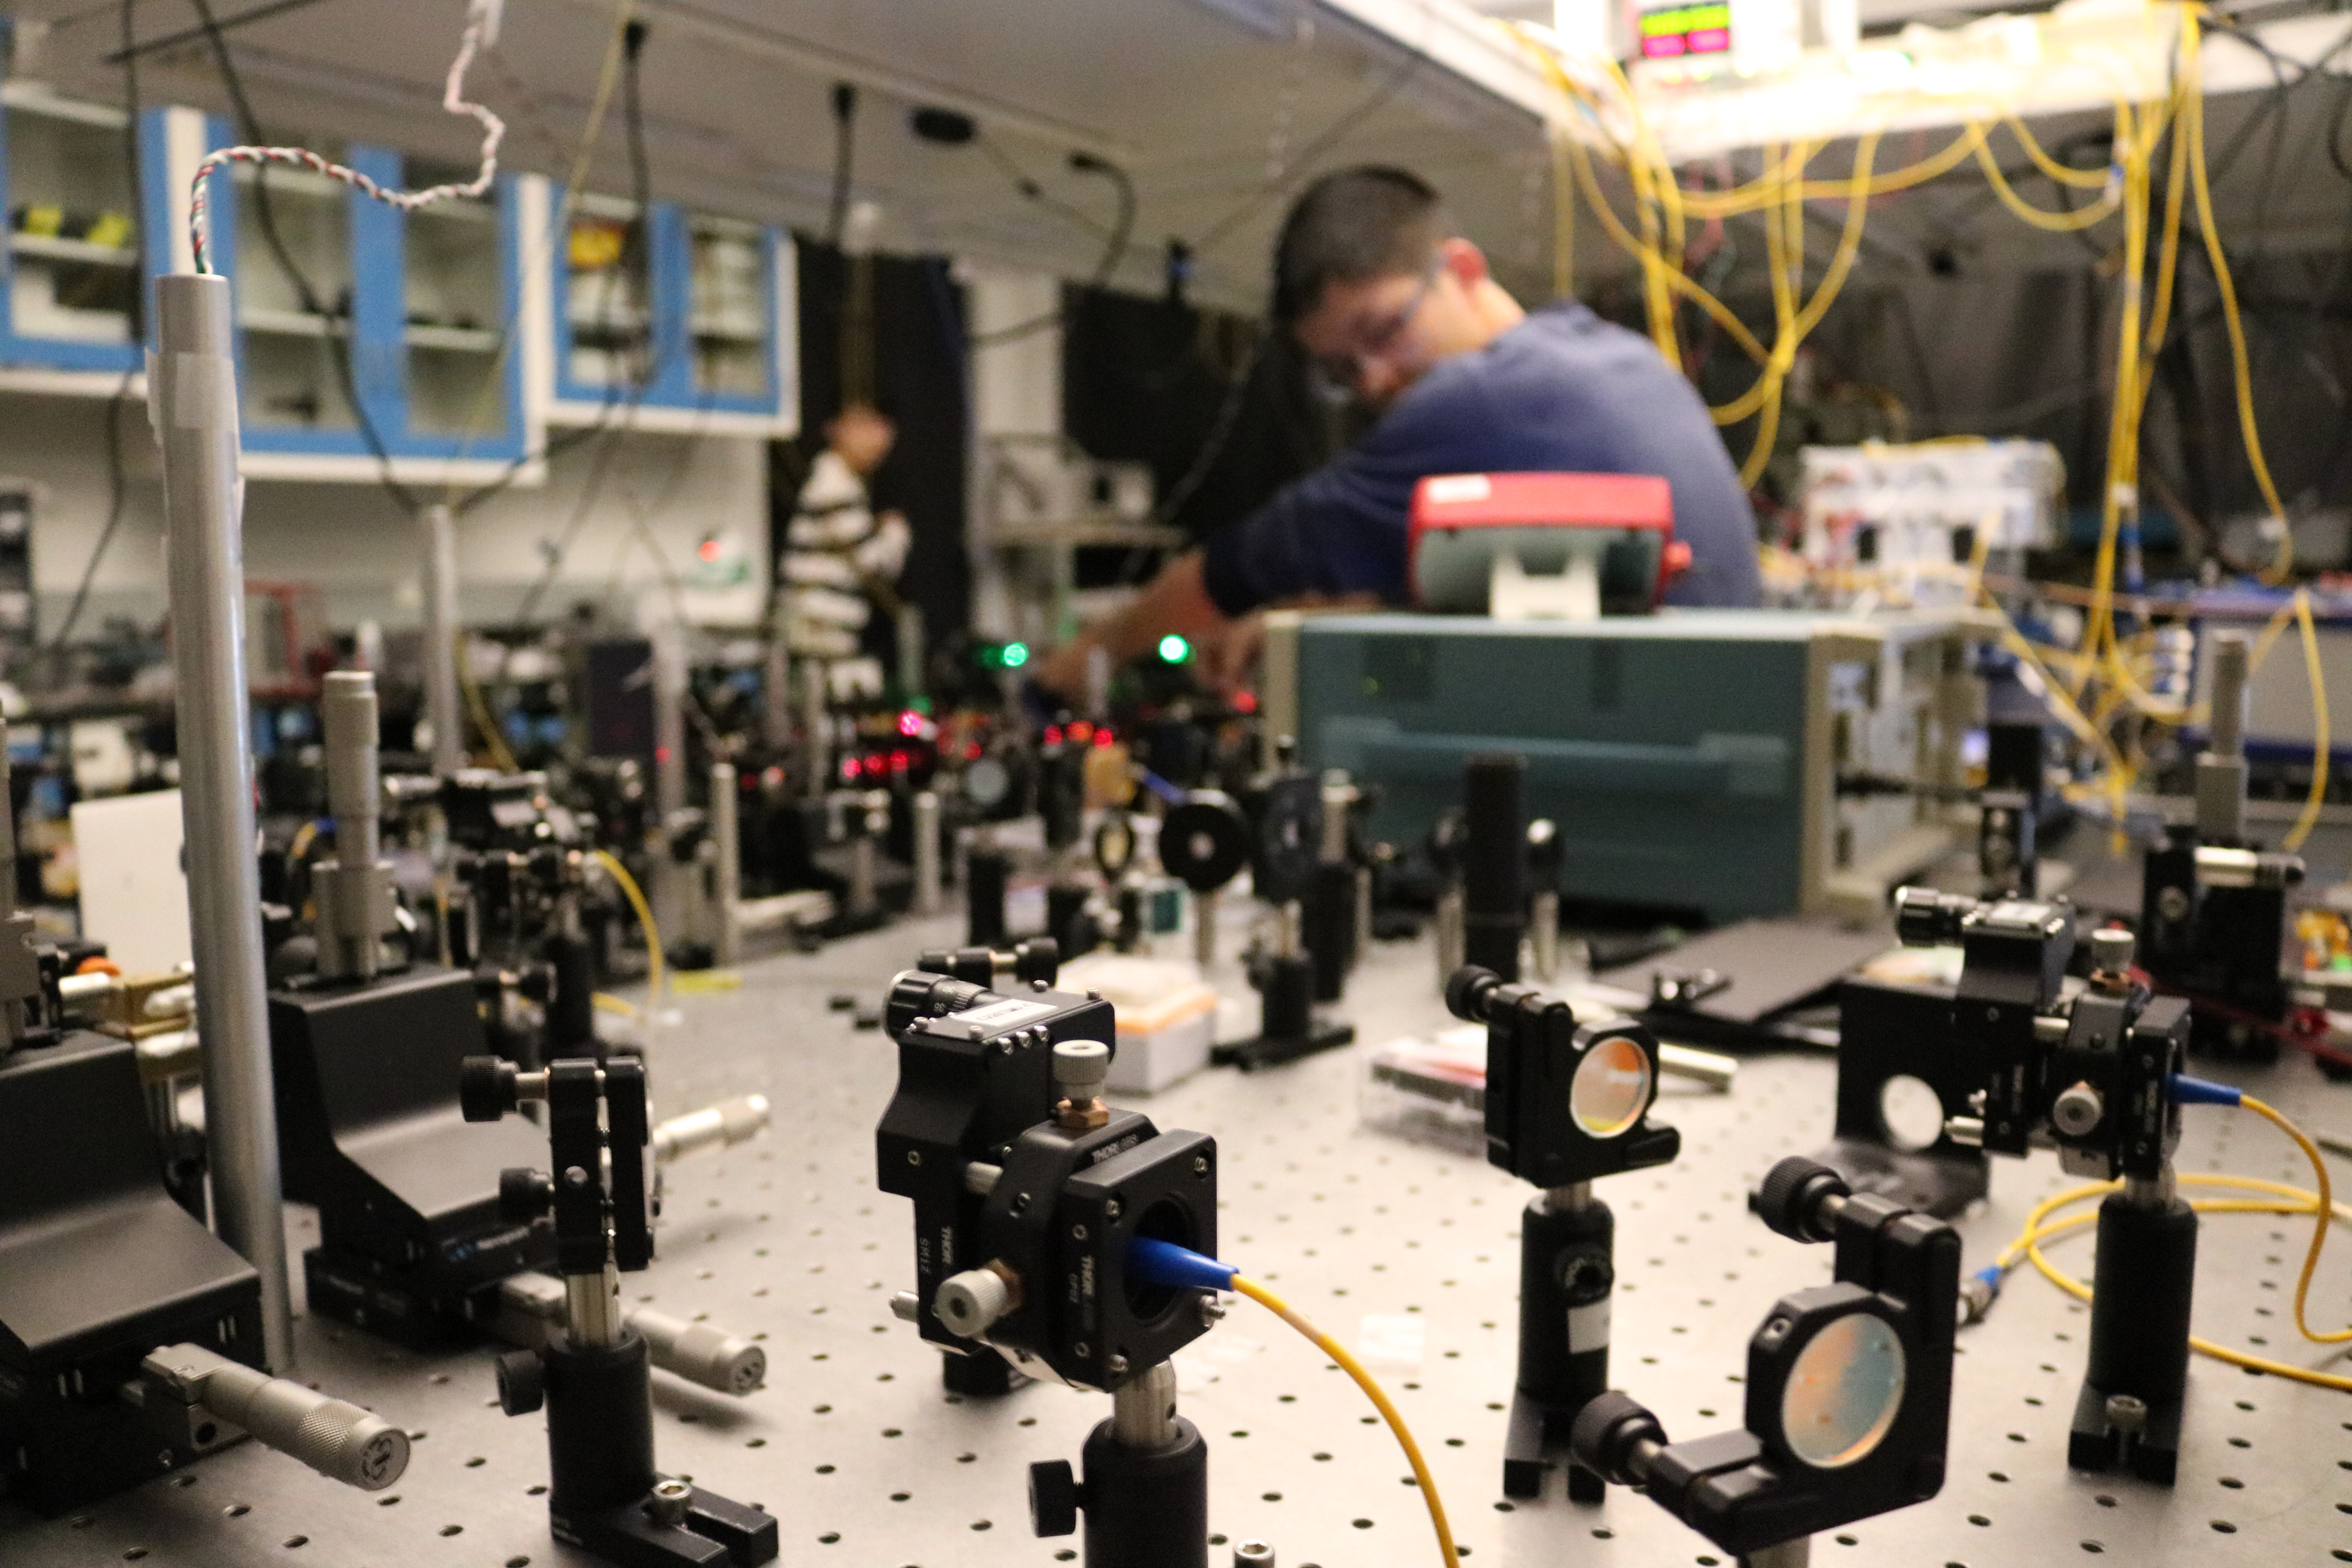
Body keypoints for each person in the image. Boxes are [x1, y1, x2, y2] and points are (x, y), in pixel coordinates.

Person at [1033, 166, 1761, 696]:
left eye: (1383, 332)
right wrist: (1338, 621)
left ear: (1463, 269)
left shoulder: (1475, 397)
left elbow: (1243, 566)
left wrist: (1086, 659)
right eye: (1343, 369)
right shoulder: (1611, 354)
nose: (1375, 380)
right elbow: (1544, 582)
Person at [777, 400, 912, 704]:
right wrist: (895, 534)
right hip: (818, 628)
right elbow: (873, 563)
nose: (876, 457)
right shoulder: (835, 485)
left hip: (827, 629)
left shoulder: (839, 484)